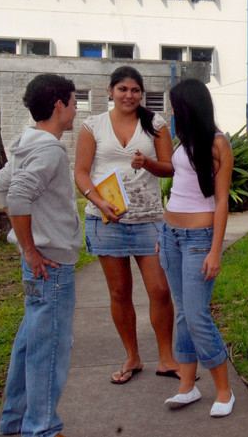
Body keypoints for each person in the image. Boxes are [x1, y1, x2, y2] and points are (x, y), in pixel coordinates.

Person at [74, 66, 180, 384]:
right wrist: (97, 200)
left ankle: (166, 358)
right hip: (107, 220)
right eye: (122, 89)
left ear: (141, 94)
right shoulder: (92, 125)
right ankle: (132, 357)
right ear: (110, 91)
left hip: (148, 219)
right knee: (120, 292)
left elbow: (169, 168)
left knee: (160, 290)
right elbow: (80, 172)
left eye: (135, 90)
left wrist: (147, 163)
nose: (129, 95)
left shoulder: (155, 124)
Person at [0, 74, 80, 437]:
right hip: (50, 266)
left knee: (30, 344)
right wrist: (30, 248)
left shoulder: (25, 144)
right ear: (58, 106)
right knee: (49, 352)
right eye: (75, 103)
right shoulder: (48, 149)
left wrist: (29, 237)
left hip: (40, 264)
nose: (76, 110)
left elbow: (2, 183)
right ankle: (42, 429)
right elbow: (16, 196)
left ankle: (13, 424)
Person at [159, 78, 235, 417]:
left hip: (198, 240)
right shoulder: (183, 142)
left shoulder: (218, 144)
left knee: (198, 316)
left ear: (191, 108)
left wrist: (215, 250)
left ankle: (224, 391)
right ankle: (187, 387)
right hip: (170, 235)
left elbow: (221, 201)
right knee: (183, 314)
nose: (174, 114)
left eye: (177, 108)